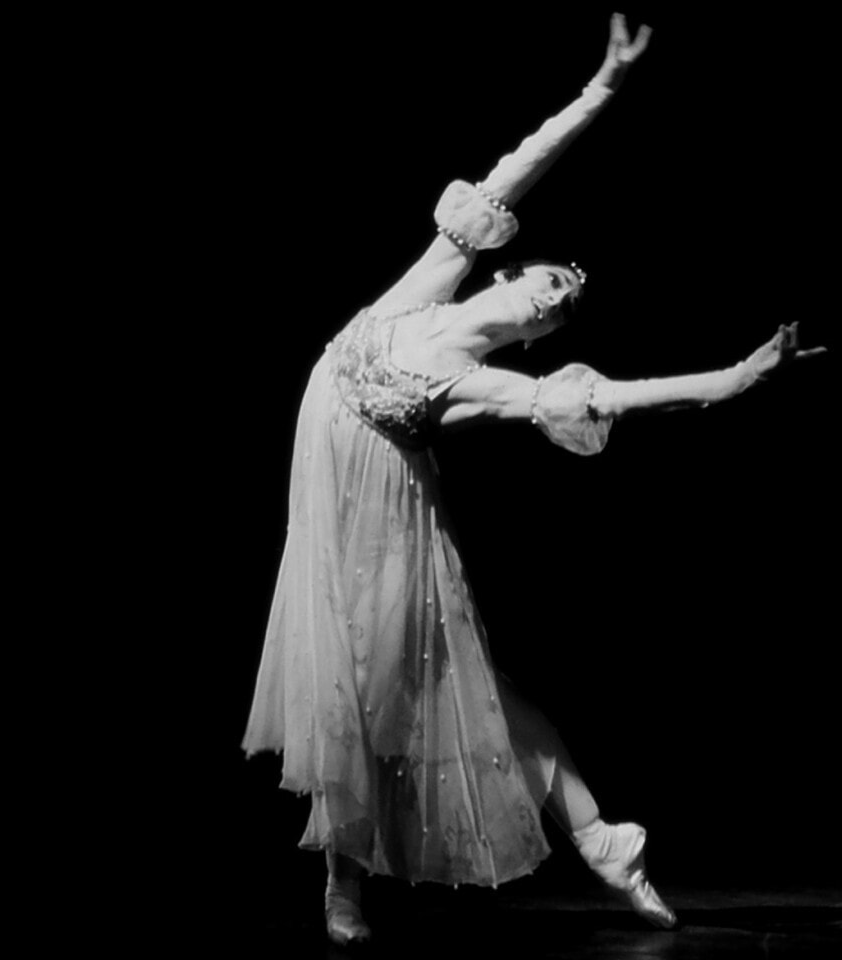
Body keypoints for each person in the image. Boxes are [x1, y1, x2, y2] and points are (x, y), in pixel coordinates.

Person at [241, 13, 824, 946]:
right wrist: (603, 88)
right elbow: (517, 166)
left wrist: (736, 378)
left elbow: (626, 399)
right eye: (551, 280)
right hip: (328, 513)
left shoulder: (487, 386)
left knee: (430, 688)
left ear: (542, 336)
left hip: (388, 529)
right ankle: (425, 871)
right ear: (509, 272)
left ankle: (585, 841)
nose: (557, 296)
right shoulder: (425, 286)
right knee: (354, 687)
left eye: (564, 309)